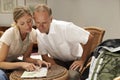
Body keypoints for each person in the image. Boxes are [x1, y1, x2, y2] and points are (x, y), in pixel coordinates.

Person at [33, 4, 93, 80]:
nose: (40, 27)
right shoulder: (38, 33)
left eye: (44, 23)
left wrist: (82, 60)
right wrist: (57, 69)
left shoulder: (66, 27)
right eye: (38, 23)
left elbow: (89, 37)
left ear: (51, 19)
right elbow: (44, 56)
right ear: (34, 20)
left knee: (72, 76)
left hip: (75, 60)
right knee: (45, 75)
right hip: (58, 61)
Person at [0, 6, 51, 80]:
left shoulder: (32, 33)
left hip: (12, 61)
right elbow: (0, 63)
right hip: (2, 63)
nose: (27, 26)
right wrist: (21, 64)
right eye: (22, 23)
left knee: (34, 68)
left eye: (29, 21)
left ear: (32, 18)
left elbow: (26, 58)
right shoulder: (10, 34)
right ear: (16, 23)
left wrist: (38, 61)